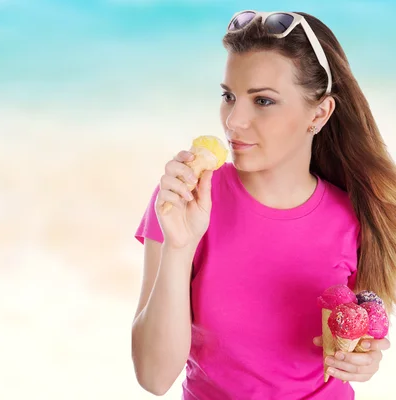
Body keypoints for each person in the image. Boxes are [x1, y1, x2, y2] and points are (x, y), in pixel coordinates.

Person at [131, 10, 395, 400]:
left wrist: (363, 358)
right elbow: (154, 377)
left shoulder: (357, 216)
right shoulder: (186, 201)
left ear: (319, 113)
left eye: (264, 101)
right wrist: (179, 246)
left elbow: (359, 334)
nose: (233, 120)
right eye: (229, 96)